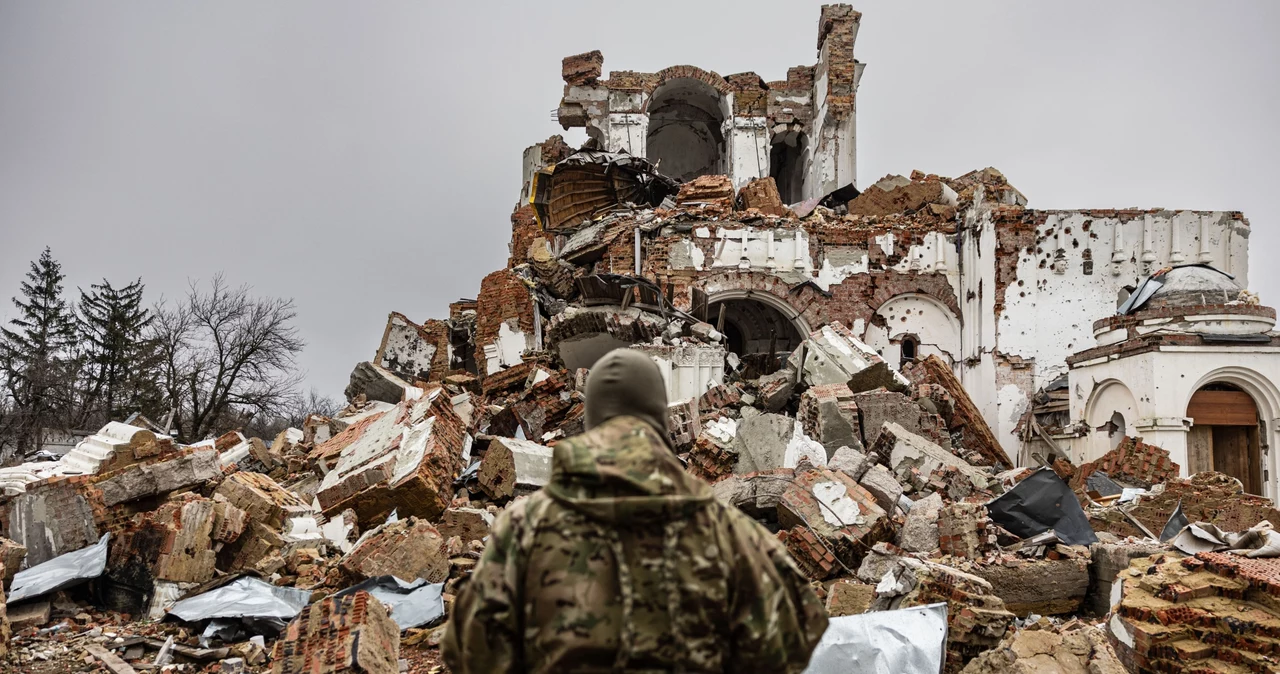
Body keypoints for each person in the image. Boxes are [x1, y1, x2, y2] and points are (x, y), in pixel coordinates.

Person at [443, 348, 827, 673]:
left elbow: (470, 653)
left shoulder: (524, 529)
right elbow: (798, 642)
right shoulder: (727, 532)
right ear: (659, 419)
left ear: (591, 422)